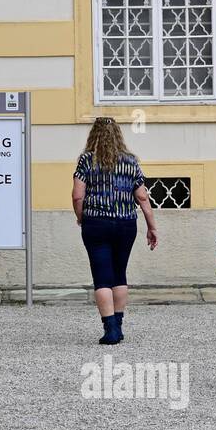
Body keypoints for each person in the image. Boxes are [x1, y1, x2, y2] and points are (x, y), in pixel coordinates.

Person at [71, 117, 159, 345]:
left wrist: (81, 216)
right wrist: (152, 226)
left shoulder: (86, 160)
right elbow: (142, 196)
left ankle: (110, 329)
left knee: (102, 276)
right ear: (118, 135)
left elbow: (77, 195)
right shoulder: (131, 161)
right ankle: (118, 327)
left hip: (96, 223)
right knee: (119, 273)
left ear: (94, 135)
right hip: (125, 224)